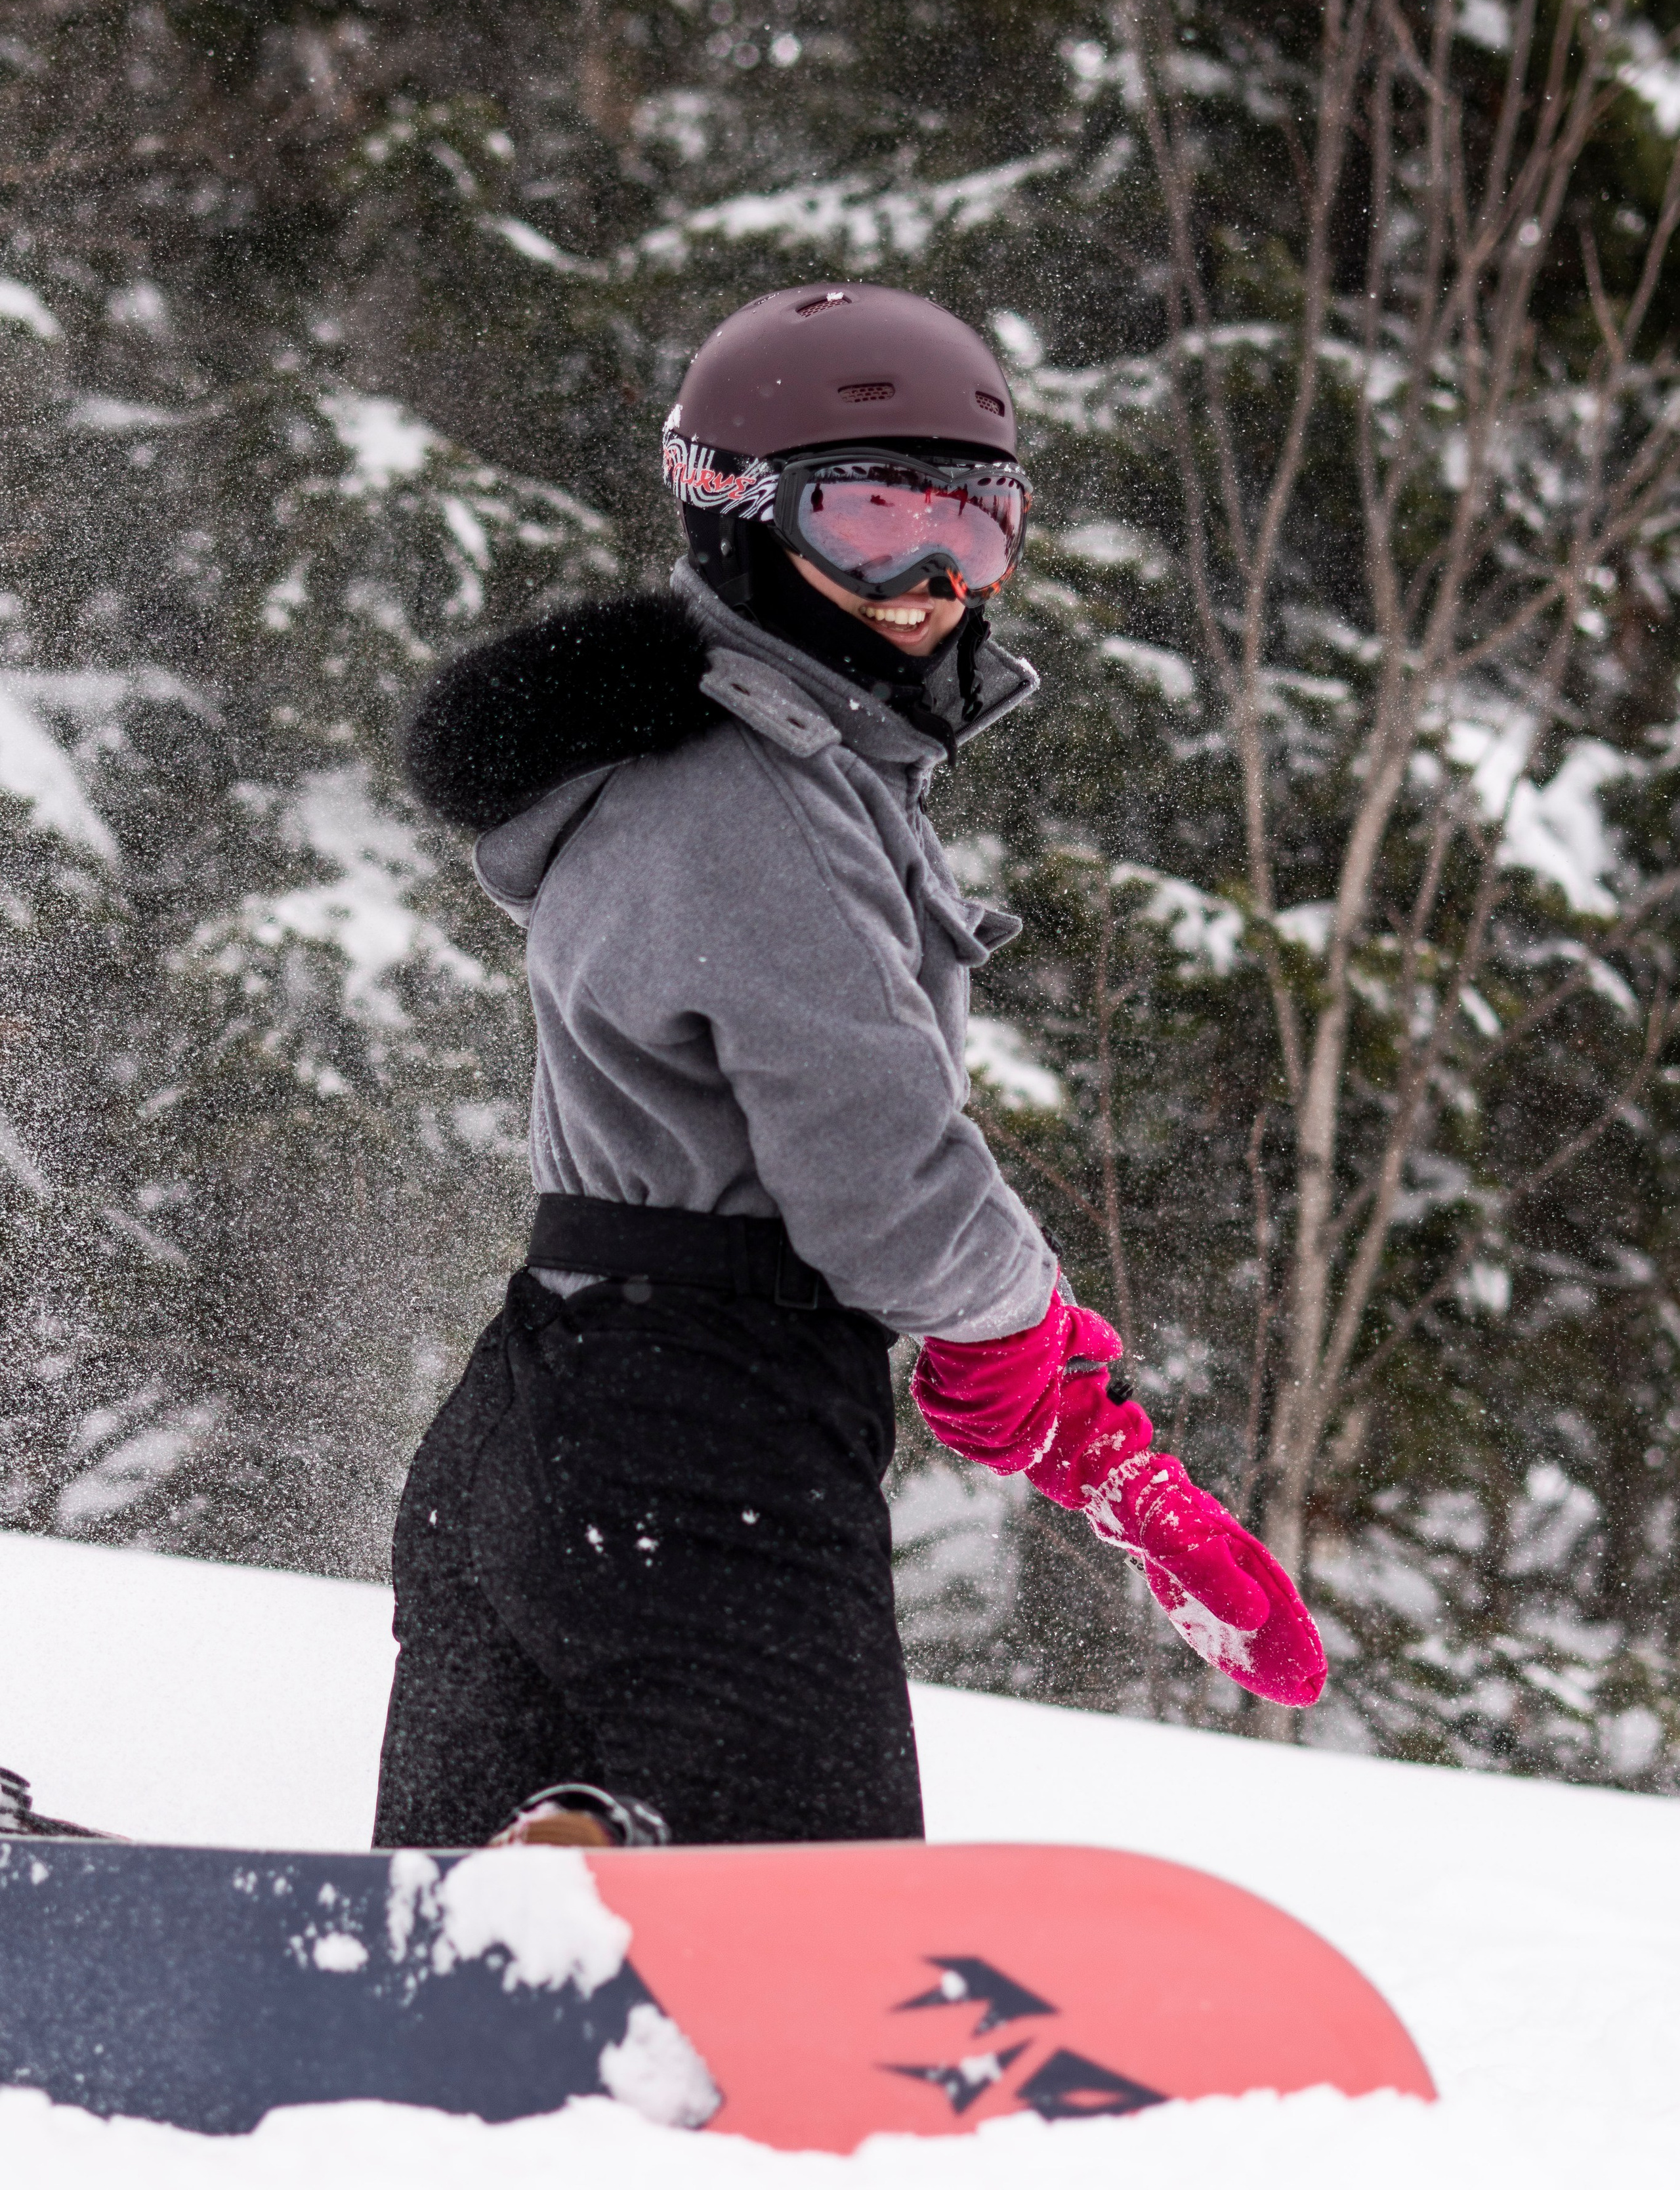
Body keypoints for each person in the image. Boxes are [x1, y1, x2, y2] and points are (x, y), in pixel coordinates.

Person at [373, 282, 1323, 1857]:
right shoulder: (756, 790)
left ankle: (569, 1863)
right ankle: (596, 1866)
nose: (933, 581)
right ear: (738, 512)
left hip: (544, 1412)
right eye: (875, 518)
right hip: (699, 1431)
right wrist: (1029, 1338)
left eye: (976, 526)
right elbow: (879, 1176)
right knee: (805, 1940)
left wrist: (1043, 1365)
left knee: (485, 2000)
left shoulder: (711, 771)